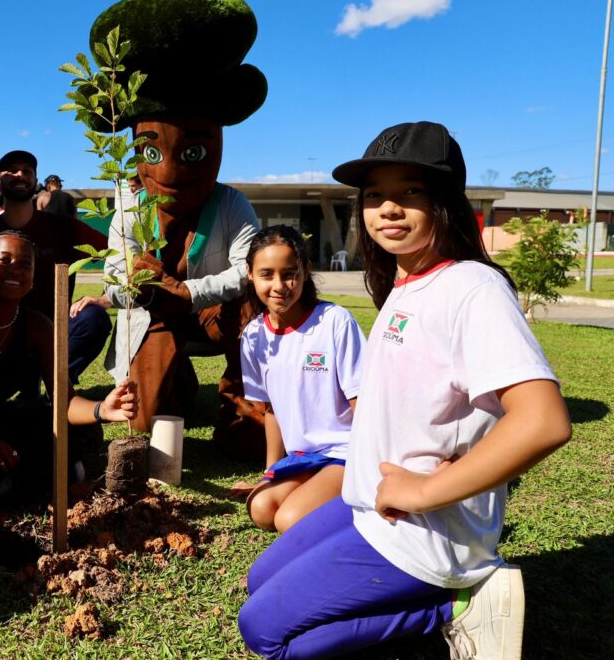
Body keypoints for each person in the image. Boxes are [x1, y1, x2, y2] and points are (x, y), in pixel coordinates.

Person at [238, 122, 571, 659]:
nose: (388, 208)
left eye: (410, 190)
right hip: (369, 501)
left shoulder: (472, 288)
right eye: (374, 195)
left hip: (424, 529)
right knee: (259, 582)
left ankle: (457, 608)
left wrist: (425, 492)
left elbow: (543, 421)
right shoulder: (406, 281)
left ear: (445, 199)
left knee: (265, 634)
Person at [86, 0, 268, 459]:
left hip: (211, 315)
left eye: (193, 153)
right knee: (144, 422)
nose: (168, 171)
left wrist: (189, 292)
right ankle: (174, 385)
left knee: (253, 306)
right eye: (149, 152)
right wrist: (138, 287)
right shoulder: (129, 202)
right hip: (156, 316)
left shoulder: (230, 203)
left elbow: (249, 271)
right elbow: (113, 275)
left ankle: (244, 411)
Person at [0, 231, 137, 522]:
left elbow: (64, 403)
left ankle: (8, 486)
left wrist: (103, 409)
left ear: (33, 278)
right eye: (4, 260)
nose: (15, 270)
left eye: (25, 264)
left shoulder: (37, 327)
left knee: (76, 431)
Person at [231, 225, 364, 533]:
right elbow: (271, 410)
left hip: (346, 453)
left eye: (290, 274)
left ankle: (364, 504)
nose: (279, 286)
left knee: (288, 519)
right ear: (250, 274)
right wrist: (269, 473)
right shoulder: (253, 335)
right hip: (303, 458)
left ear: (306, 270)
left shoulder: (335, 322)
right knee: (261, 509)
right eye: (267, 275)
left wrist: (370, 466)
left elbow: (362, 403)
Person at [0, 150, 112, 385]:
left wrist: (105, 298)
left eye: (27, 171)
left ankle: (59, 385)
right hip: (6, 335)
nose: (20, 175)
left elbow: (118, 254)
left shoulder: (64, 228)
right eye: (12, 170)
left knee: (94, 318)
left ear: (36, 181)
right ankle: (17, 382)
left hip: (57, 329)